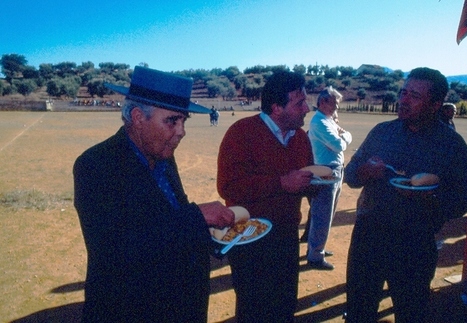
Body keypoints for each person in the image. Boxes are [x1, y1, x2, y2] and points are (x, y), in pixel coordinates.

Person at [73, 66, 235, 322]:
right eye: (172, 121)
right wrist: (198, 216)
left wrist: (217, 237)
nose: (181, 131)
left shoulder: (163, 157)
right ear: (138, 117)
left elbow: (169, 221)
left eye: (184, 120)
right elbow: (115, 249)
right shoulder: (96, 165)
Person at [343, 67, 467, 322]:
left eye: (414, 96)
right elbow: (350, 175)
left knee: (411, 311)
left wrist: (432, 199)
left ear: (435, 104)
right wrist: (366, 172)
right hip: (368, 236)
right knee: (359, 310)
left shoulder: (451, 144)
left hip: (414, 242)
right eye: (403, 92)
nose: (403, 100)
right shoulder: (382, 131)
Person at [217, 71, 315, 322]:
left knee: (284, 306)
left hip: (286, 237)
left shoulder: (301, 138)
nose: (307, 108)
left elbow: (307, 181)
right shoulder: (242, 132)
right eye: (299, 103)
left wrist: (317, 184)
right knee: (253, 310)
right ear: (277, 108)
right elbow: (228, 187)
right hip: (249, 238)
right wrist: (282, 183)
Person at [305, 86, 352, 270]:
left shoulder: (327, 120)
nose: (336, 108)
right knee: (322, 215)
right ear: (323, 102)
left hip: (334, 169)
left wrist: (340, 131)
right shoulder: (320, 123)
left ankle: (317, 249)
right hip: (326, 171)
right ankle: (315, 256)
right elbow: (338, 144)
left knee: (328, 214)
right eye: (334, 103)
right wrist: (347, 135)